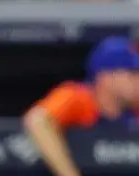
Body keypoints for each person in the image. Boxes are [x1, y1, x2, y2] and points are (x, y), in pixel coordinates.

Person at [24, 37, 139, 175]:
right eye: (133, 74)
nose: (137, 80)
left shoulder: (134, 109)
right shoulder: (78, 98)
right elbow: (37, 120)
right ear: (105, 77)